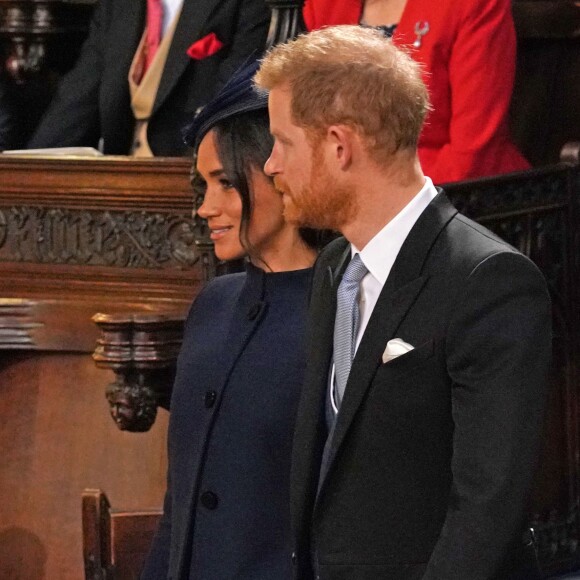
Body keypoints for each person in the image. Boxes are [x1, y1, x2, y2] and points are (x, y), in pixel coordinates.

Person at [256, 25, 551, 579]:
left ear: (339, 147)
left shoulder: (489, 281)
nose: (271, 165)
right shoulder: (333, 269)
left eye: (283, 142)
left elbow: (487, 507)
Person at [140, 62, 324, 579]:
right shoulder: (213, 304)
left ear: (279, 170)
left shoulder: (345, 311)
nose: (206, 207)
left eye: (224, 183)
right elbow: (179, 506)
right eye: (203, 185)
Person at [302, 0, 530, 183]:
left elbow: (471, 154)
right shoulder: (322, 5)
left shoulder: (473, 4)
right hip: (344, 191)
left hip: (458, 198)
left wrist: (377, 193)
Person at [27, 0, 270, 156]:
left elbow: (233, 108)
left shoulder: (247, 4)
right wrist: (23, 175)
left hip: (196, 183)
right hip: (121, 185)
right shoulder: (118, 7)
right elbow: (76, 103)